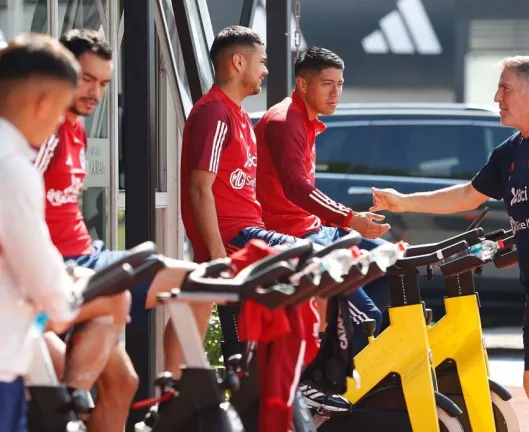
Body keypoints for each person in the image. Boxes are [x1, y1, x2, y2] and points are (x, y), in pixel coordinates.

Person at [371, 55, 529, 432]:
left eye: (506, 88)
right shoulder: (509, 152)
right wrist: (401, 200)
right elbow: (468, 196)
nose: (497, 96)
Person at [35, 29, 199, 431]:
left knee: (124, 382)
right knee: (135, 293)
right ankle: (66, 414)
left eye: (104, 84)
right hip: (62, 265)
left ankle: (174, 391)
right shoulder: (44, 131)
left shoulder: (75, 129)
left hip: (87, 254)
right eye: (86, 79)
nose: (95, 92)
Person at [180, 26, 349, 413]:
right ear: (238, 62)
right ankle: (307, 380)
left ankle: (273, 393)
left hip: (250, 233)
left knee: (245, 343)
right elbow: (199, 189)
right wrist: (217, 255)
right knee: (317, 261)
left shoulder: (238, 116)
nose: (267, 71)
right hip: (236, 237)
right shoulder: (214, 113)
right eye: (262, 62)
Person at [0, 32, 130, 432]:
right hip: (5, 356)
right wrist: (69, 290)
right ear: (42, 103)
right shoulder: (14, 168)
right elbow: (45, 283)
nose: (61, 121)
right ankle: (69, 407)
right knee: (117, 297)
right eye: (59, 108)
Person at [254, 46, 392, 359]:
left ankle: (337, 343)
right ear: (302, 84)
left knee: (394, 265)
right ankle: (330, 387)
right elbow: (296, 188)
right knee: (369, 318)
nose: (335, 93)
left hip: (315, 231)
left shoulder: (305, 120)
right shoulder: (285, 120)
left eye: (340, 85)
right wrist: (350, 218)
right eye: (327, 84)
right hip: (294, 239)